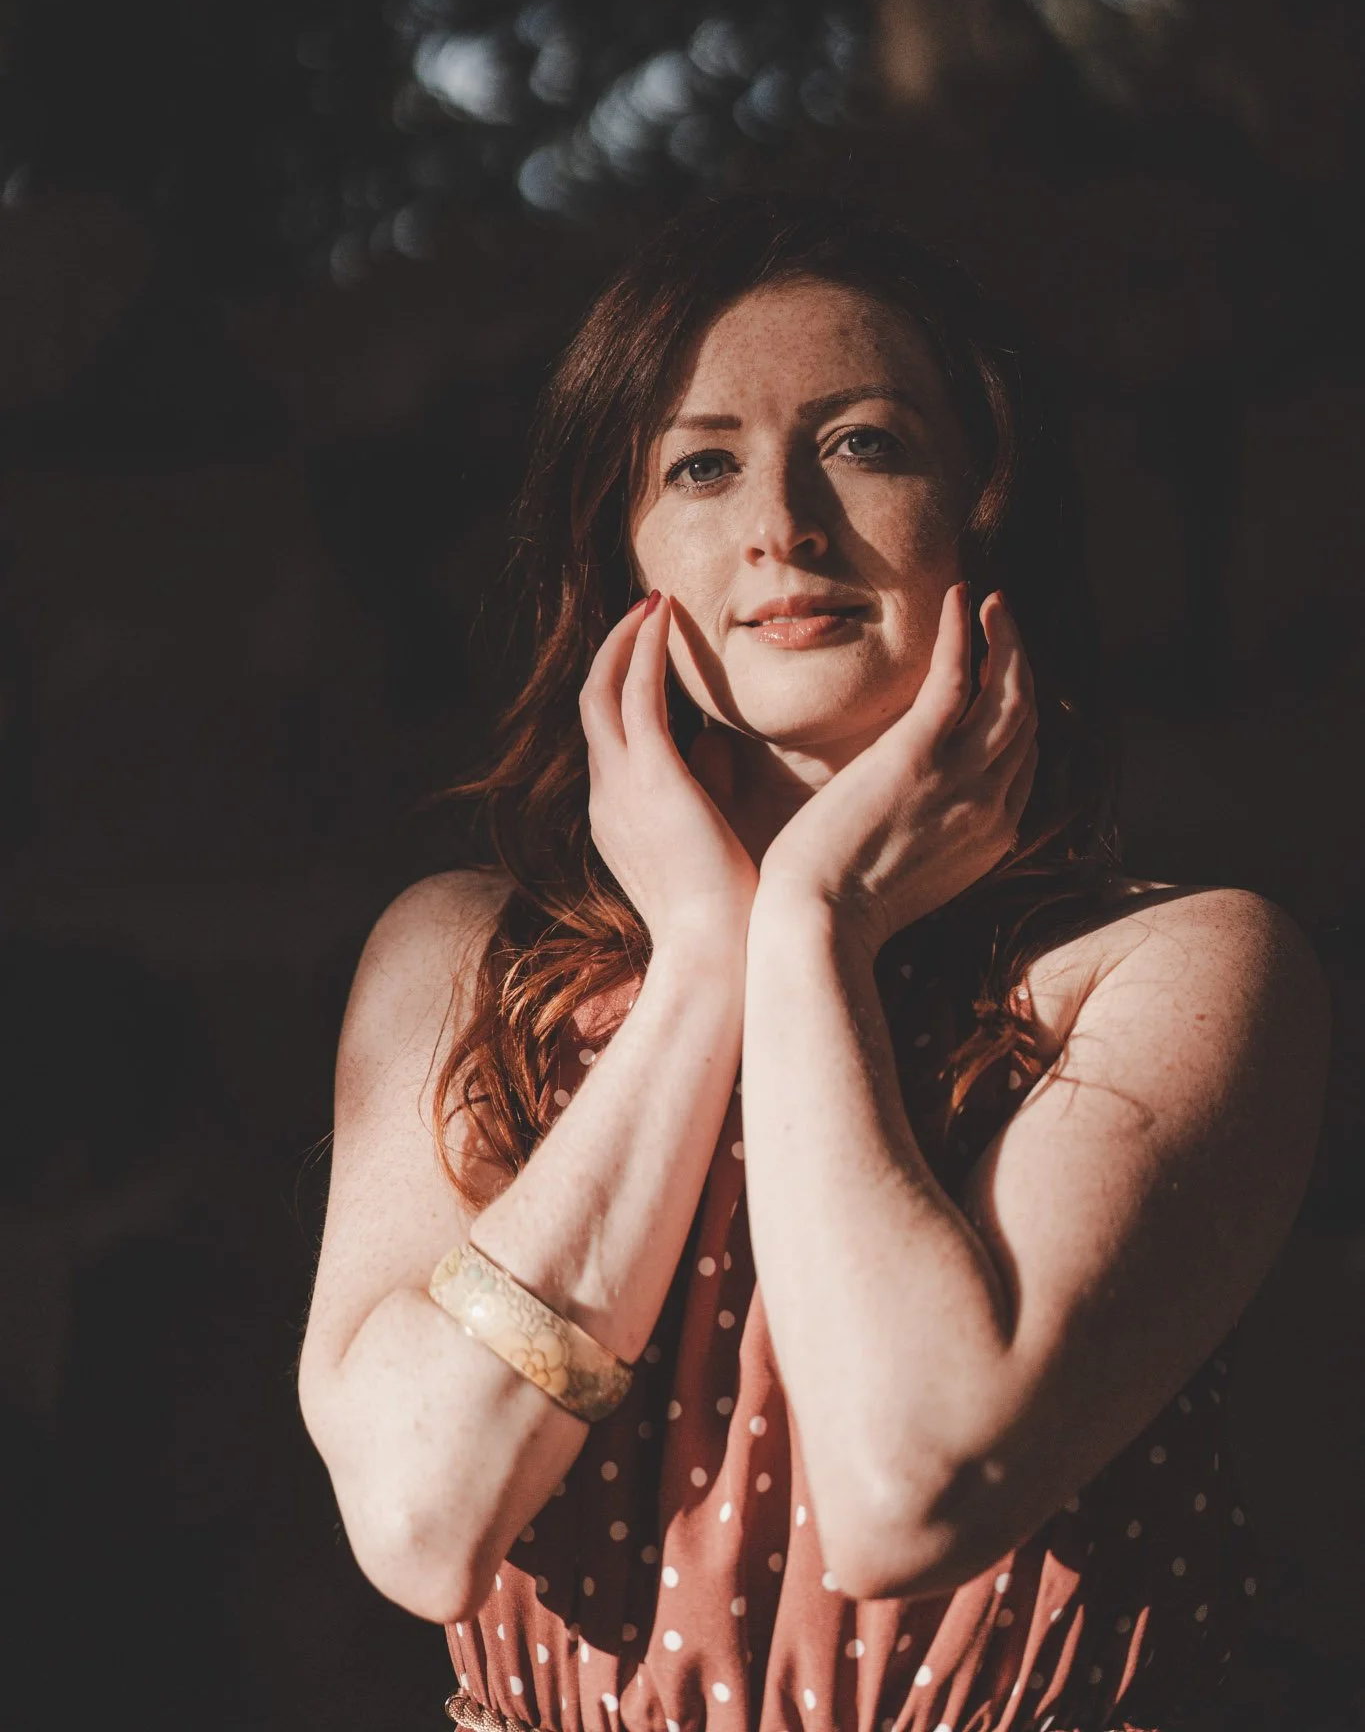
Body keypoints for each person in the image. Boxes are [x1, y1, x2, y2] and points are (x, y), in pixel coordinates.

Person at [298, 192, 1330, 1732]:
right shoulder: (457, 958)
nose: (782, 521)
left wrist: (813, 926)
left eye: (862, 442)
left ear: (986, 505)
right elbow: (421, 1522)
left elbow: (917, 1484)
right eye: (702, 463)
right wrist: (707, 956)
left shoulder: (1178, 971)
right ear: (624, 549)